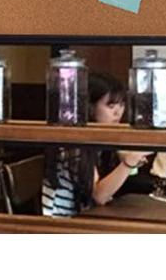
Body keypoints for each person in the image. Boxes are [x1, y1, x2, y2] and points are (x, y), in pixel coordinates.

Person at [41, 72, 151, 217]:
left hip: (85, 216)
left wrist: (125, 159)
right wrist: (129, 162)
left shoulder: (98, 139)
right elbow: (99, 196)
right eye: (111, 105)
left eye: (122, 104)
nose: (118, 112)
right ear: (90, 107)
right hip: (62, 223)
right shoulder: (75, 144)